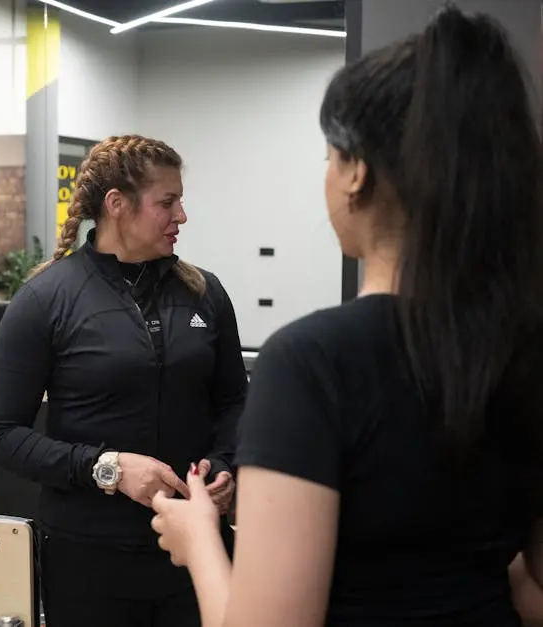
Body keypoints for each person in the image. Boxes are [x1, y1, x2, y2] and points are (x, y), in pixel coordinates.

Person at [150, 6, 543, 627]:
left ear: (356, 171)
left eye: (330, 156)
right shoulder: (521, 344)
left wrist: (199, 538)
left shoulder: (314, 363)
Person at [0, 135, 247, 626]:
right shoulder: (45, 298)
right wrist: (107, 468)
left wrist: (226, 466)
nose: (182, 215)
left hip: (195, 550)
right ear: (117, 205)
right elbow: (1, 436)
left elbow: (234, 403)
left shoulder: (206, 293)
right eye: (167, 202)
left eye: (181, 200)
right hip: (88, 558)